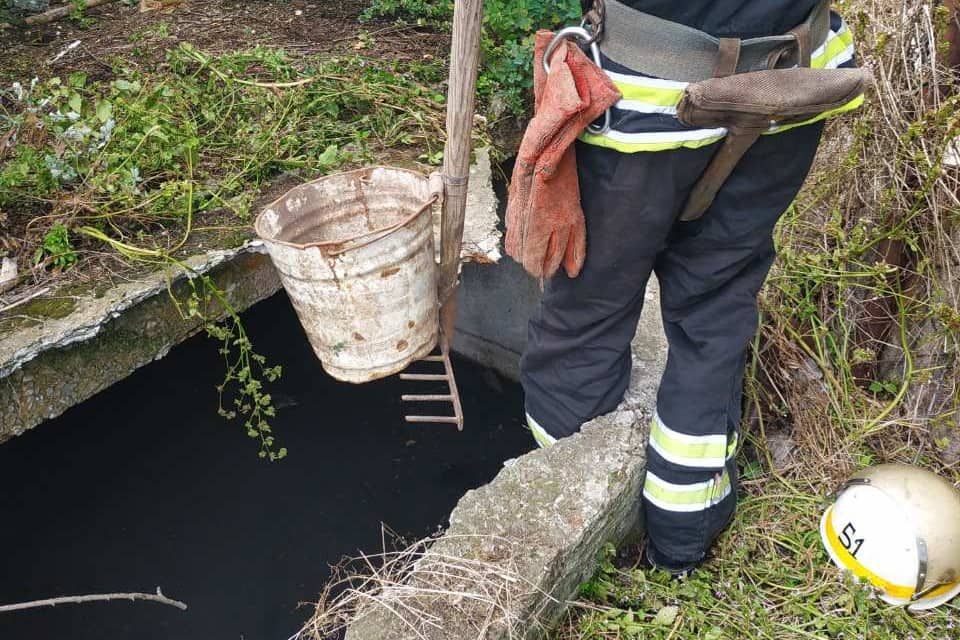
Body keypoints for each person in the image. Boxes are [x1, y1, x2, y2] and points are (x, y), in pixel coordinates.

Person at [519, 0, 860, 574]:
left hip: (648, 95)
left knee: (590, 306)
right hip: (792, 83)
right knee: (717, 298)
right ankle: (682, 540)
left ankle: (568, 525)